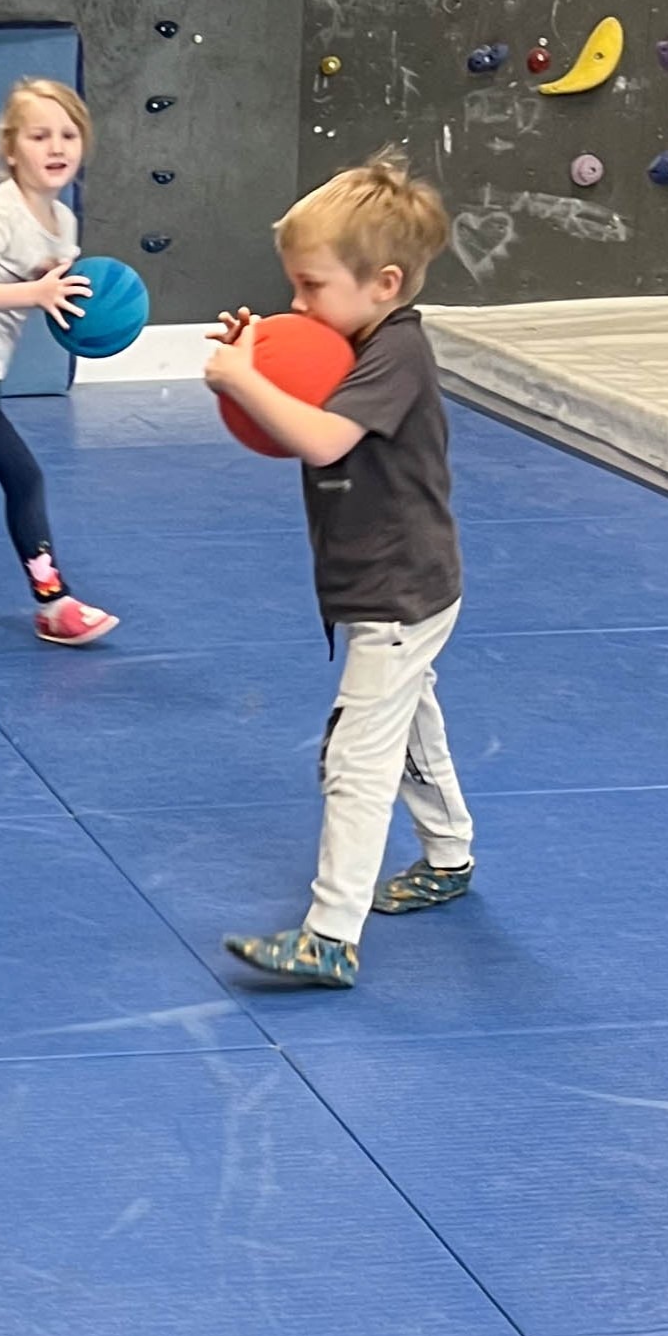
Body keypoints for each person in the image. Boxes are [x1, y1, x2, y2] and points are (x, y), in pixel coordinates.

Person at [203, 150, 472, 990]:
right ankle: (450, 854)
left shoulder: (398, 352)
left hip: (399, 591)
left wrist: (245, 381)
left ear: (384, 284)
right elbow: (295, 400)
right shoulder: (352, 340)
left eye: (310, 287)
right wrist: (256, 363)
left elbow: (322, 439)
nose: (296, 305)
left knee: (355, 760)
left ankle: (329, 935)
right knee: (410, 723)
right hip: (386, 585)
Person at [0, 79, 118, 644]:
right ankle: (53, 603)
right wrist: (36, 292)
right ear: (11, 150)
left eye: (68, 135)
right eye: (39, 136)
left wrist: (95, 313)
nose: (56, 147)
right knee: (24, 475)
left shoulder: (63, 222)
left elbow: (47, 287)